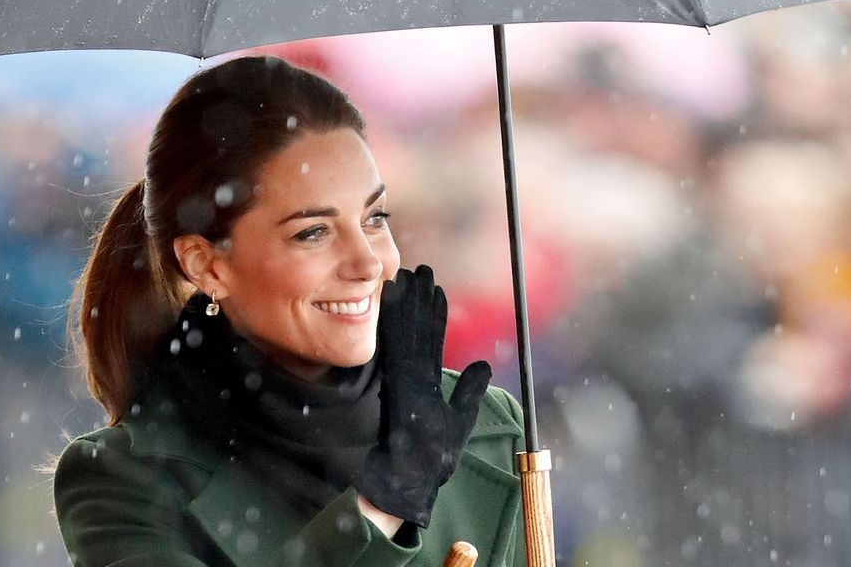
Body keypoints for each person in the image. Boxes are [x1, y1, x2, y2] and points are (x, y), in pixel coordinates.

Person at [52, 56, 527, 567]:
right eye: (313, 232)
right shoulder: (126, 476)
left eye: (374, 218)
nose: (368, 262)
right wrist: (379, 508)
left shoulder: (485, 426)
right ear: (207, 265)